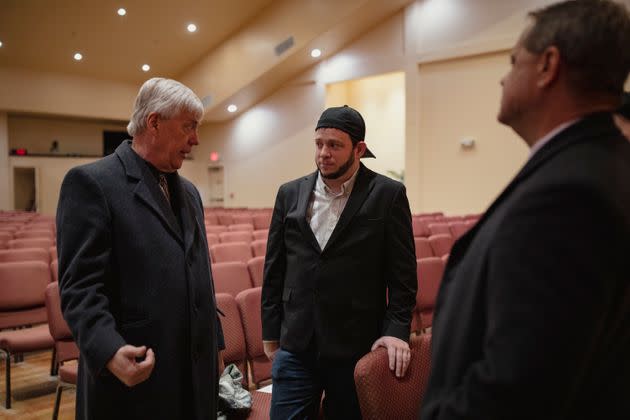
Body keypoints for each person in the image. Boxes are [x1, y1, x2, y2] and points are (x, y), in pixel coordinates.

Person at [421, 1, 630, 419]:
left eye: (513, 60)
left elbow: (517, 391)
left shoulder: (569, 195)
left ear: (547, 66)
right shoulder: (604, 164)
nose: (503, 76)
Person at [57, 77, 224, 420]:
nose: (195, 139)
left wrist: (215, 344)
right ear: (154, 123)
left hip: (194, 377)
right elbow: (80, 287)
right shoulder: (92, 183)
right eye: (188, 127)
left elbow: (199, 272)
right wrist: (107, 350)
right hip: (135, 377)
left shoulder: (190, 192)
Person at [261, 105, 417, 419]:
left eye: (334, 145)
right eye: (319, 143)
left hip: (356, 344)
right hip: (297, 343)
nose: (323, 153)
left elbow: (403, 277)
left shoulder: (388, 194)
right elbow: (274, 268)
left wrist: (397, 330)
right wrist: (270, 333)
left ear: (358, 149)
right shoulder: (289, 193)